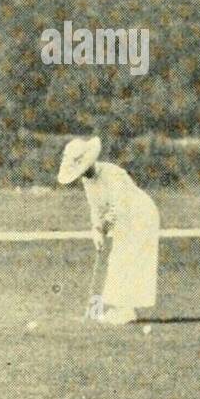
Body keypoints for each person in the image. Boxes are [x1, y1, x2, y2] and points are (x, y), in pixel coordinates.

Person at [56, 136, 160, 325]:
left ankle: (125, 310)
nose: (81, 175)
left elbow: (118, 207)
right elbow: (96, 208)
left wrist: (105, 228)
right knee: (118, 258)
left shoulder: (112, 174)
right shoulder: (88, 181)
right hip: (125, 217)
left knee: (125, 257)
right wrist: (96, 230)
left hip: (141, 214)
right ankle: (115, 309)